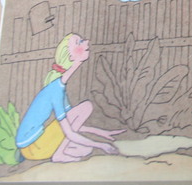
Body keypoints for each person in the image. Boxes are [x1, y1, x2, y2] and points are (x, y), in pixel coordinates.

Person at [15, 33, 124, 163]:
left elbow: (72, 124)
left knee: (85, 150)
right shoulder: (55, 89)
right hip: (32, 146)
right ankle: (59, 155)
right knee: (86, 107)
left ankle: (59, 152)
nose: (86, 42)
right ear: (71, 57)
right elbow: (69, 133)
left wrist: (100, 132)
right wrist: (101, 145)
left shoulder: (60, 86)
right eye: (79, 42)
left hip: (35, 148)